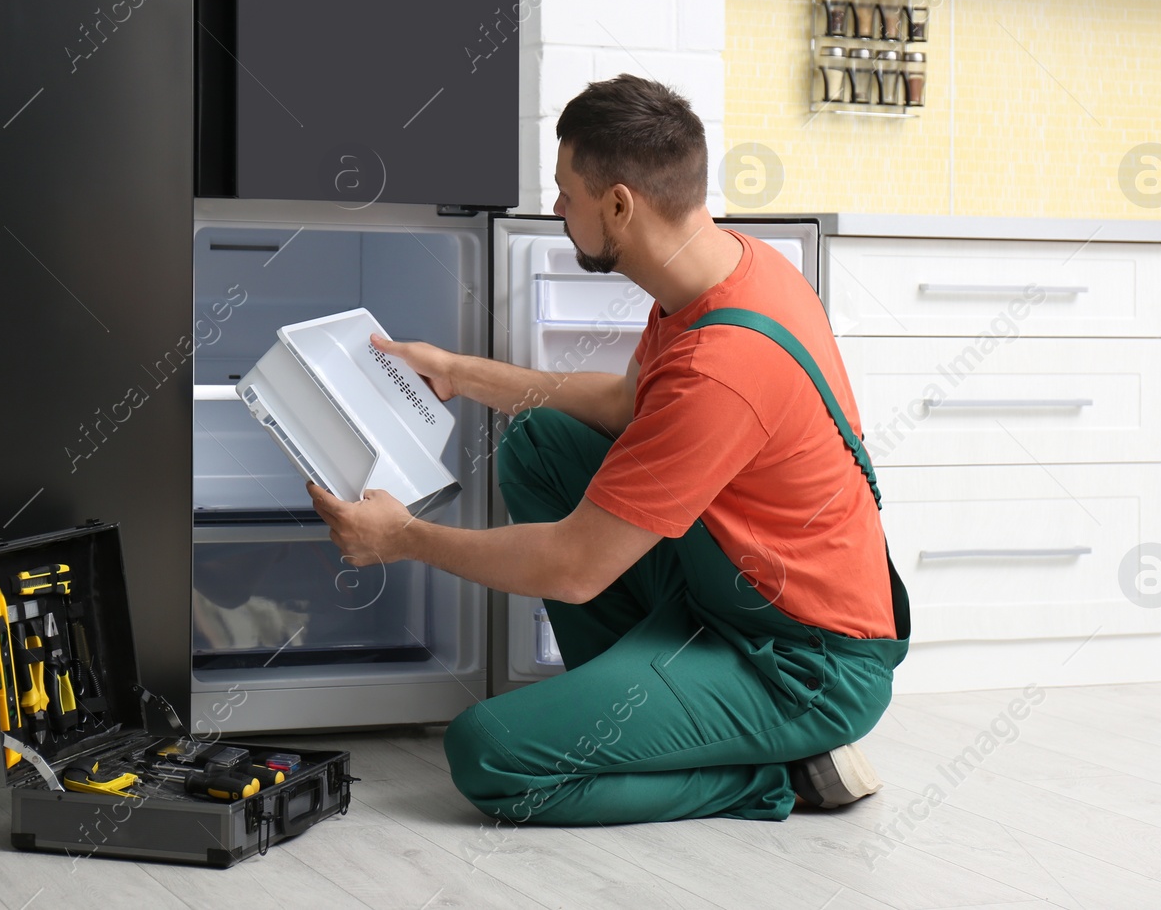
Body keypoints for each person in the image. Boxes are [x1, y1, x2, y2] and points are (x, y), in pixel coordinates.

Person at [307, 73, 910, 826]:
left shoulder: (722, 365)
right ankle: (646, 722)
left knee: (489, 752)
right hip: (725, 585)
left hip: (799, 661)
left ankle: (769, 772)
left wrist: (404, 538)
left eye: (567, 193)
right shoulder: (722, 270)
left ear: (619, 203)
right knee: (540, 445)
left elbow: (575, 566)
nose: (558, 209)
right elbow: (626, 404)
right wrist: (460, 372)